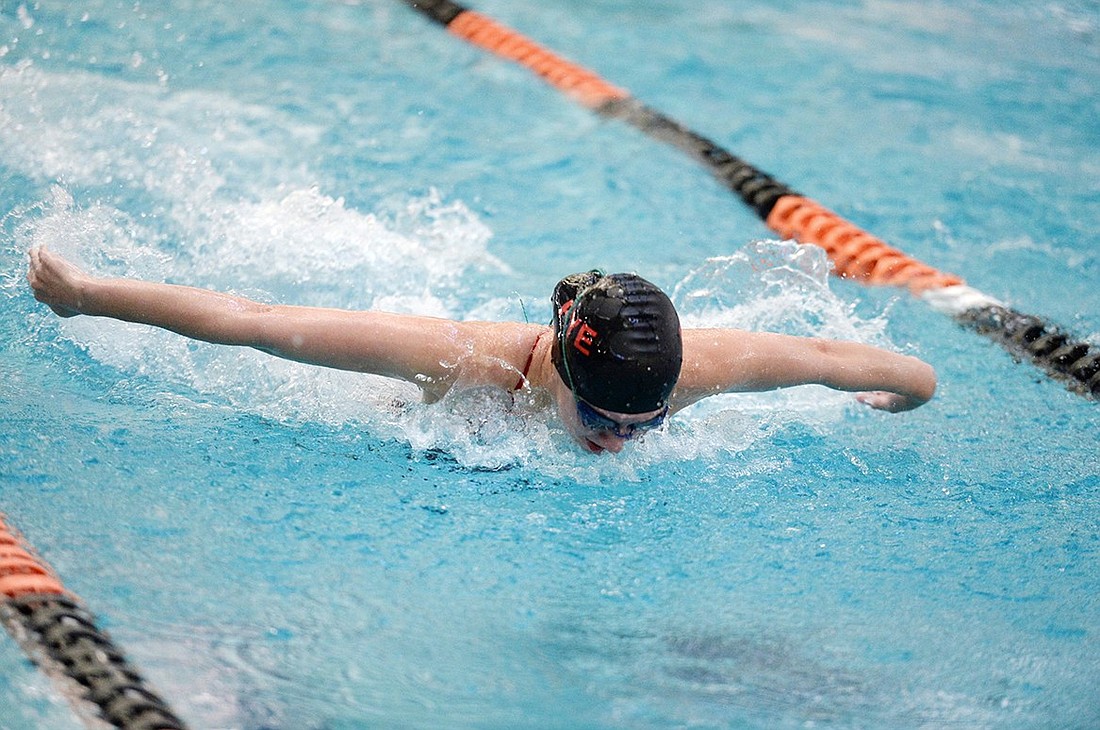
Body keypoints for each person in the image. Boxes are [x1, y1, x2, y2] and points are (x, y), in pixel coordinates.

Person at [27, 247, 936, 455]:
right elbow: (257, 317)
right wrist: (86, 298)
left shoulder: (694, 375)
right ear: (559, 368)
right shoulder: (464, 360)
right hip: (440, 444)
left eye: (644, 420)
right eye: (602, 416)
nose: (622, 439)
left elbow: (839, 355)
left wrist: (901, 394)